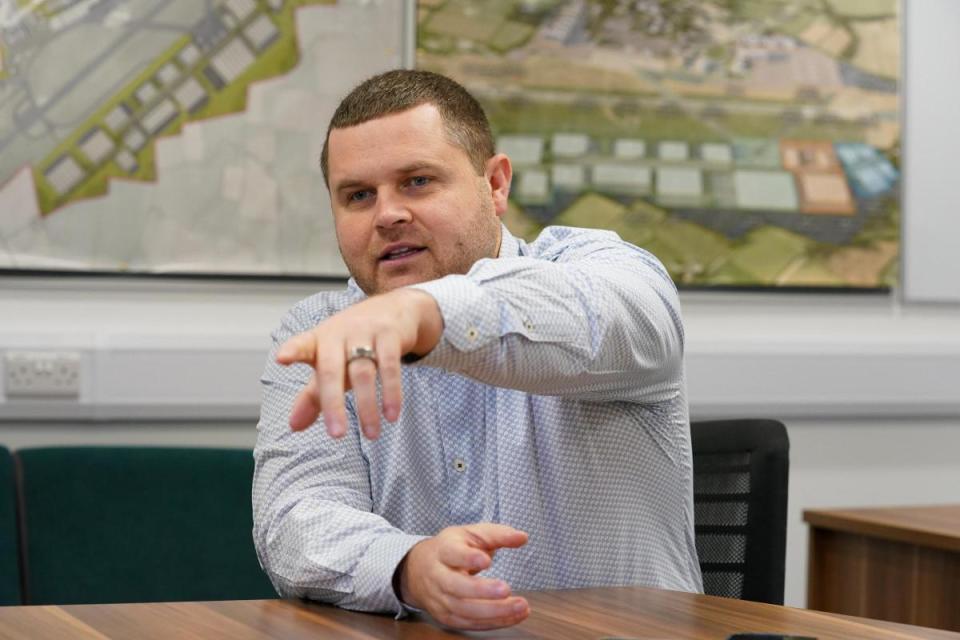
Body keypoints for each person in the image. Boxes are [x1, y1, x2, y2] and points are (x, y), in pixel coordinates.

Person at [252, 69, 703, 631]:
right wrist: (407, 568)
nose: (387, 214)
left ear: (495, 185)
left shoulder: (602, 270)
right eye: (358, 196)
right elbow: (296, 519)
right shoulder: (320, 330)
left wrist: (425, 312)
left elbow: (610, 317)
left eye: (417, 181)